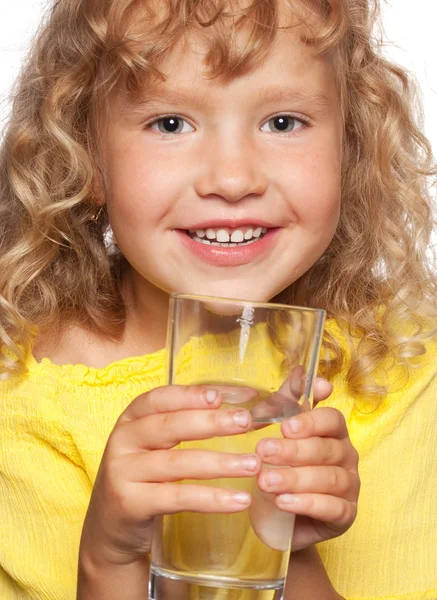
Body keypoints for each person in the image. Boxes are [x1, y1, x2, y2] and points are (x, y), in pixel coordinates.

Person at [0, 0, 435, 598]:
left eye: (283, 122)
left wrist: (279, 543)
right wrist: (109, 561)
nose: (232, 180)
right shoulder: (17, 400)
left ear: (350, 147)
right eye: (170, 124)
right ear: (87, 158)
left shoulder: (408, 372)